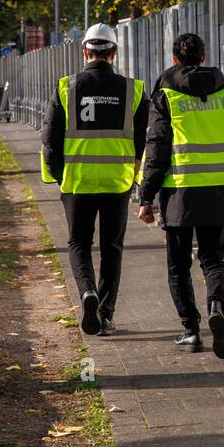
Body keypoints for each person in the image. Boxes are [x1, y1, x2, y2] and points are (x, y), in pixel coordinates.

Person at [138, 32, 224, 359]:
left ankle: (191, 330)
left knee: (178, 265)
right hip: (220, 190)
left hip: (180, 193)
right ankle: (216, 305)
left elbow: (157, 151)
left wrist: (145, 196)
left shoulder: (165, 97)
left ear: (175, 59)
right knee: (213, 259)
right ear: (204, 57)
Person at [41, 24, 148, 337]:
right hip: (117, 182)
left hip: (77, 183)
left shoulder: (65, 87)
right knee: (112, 247)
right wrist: (137, 178)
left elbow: (50, 139)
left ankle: (87, 292)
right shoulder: (134, 90)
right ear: (113, 53)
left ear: (84, 52)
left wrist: (60, 175)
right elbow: (145, 139)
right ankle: (106, 313)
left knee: (78, 243)